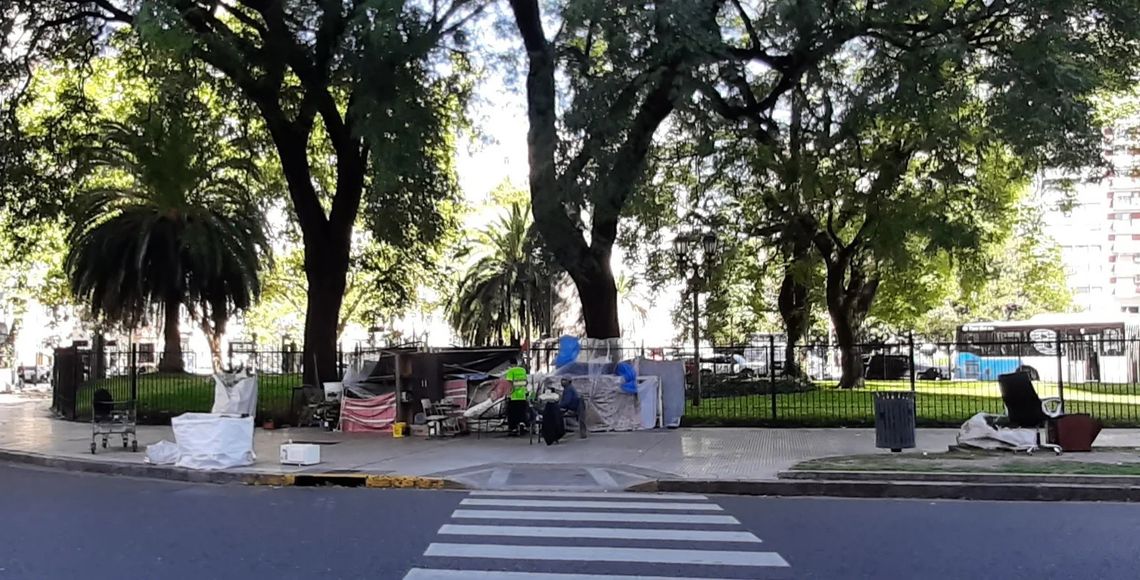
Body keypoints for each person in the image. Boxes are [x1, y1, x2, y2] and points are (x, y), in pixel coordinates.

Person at [504, 366, 530, 436]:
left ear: (511, 364)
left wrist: (507, 394)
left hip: (514, 397)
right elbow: (525, 382)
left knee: (512, 414)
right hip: (522, 396)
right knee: (522, 413)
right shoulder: (523, 370)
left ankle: (513, 429)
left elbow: (509, 384)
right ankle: (522, 425)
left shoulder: (511, 371)